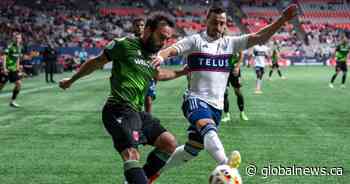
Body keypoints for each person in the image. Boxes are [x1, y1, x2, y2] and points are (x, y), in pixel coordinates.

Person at [151, 4, 298, 178]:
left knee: (192, 150)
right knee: (209, 130)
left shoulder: (230, 43)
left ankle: (153, 173)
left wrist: (282, 20)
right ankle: (226, 166)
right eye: (215, 22)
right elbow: (172, 49)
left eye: (222, 23)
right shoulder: (195, 41)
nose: (218, 27)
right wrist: (160, 56)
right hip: (196, 99)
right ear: (207, 20)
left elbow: (259, 36)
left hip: (217, 107)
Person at [59, 13, 188, 184]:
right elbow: (96, 62)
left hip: (136, 112)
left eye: (167, 39)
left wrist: (182, 72)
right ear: (148, 30)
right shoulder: (123, 45)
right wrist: (71, 80)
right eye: (161, 37)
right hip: (117, 109)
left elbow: (159, 75)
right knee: (131, 155)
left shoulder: (152, 56)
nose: (163, 43)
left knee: (169, 143)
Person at [221, 50, 249, 122]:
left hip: (234, 70)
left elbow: (241, 54)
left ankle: (242, 113)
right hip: (223, 70)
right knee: (225, 93)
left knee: (238, 92)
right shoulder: (220, 42)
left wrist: (237, 67)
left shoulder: (234, 41)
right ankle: (227, 115)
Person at [0, 33, 24, 108]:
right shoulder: (10, 46)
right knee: (1, 86)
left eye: (19, 38)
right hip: (6, 69)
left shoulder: (19, 47)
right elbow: (4, 57)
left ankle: (12, 101)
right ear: (13, 38)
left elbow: (18, 58)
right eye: (16, 38)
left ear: (21, 39)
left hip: (13, 70)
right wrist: (4, 68)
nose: (17, 39)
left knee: (19, 84)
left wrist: (18, 67)